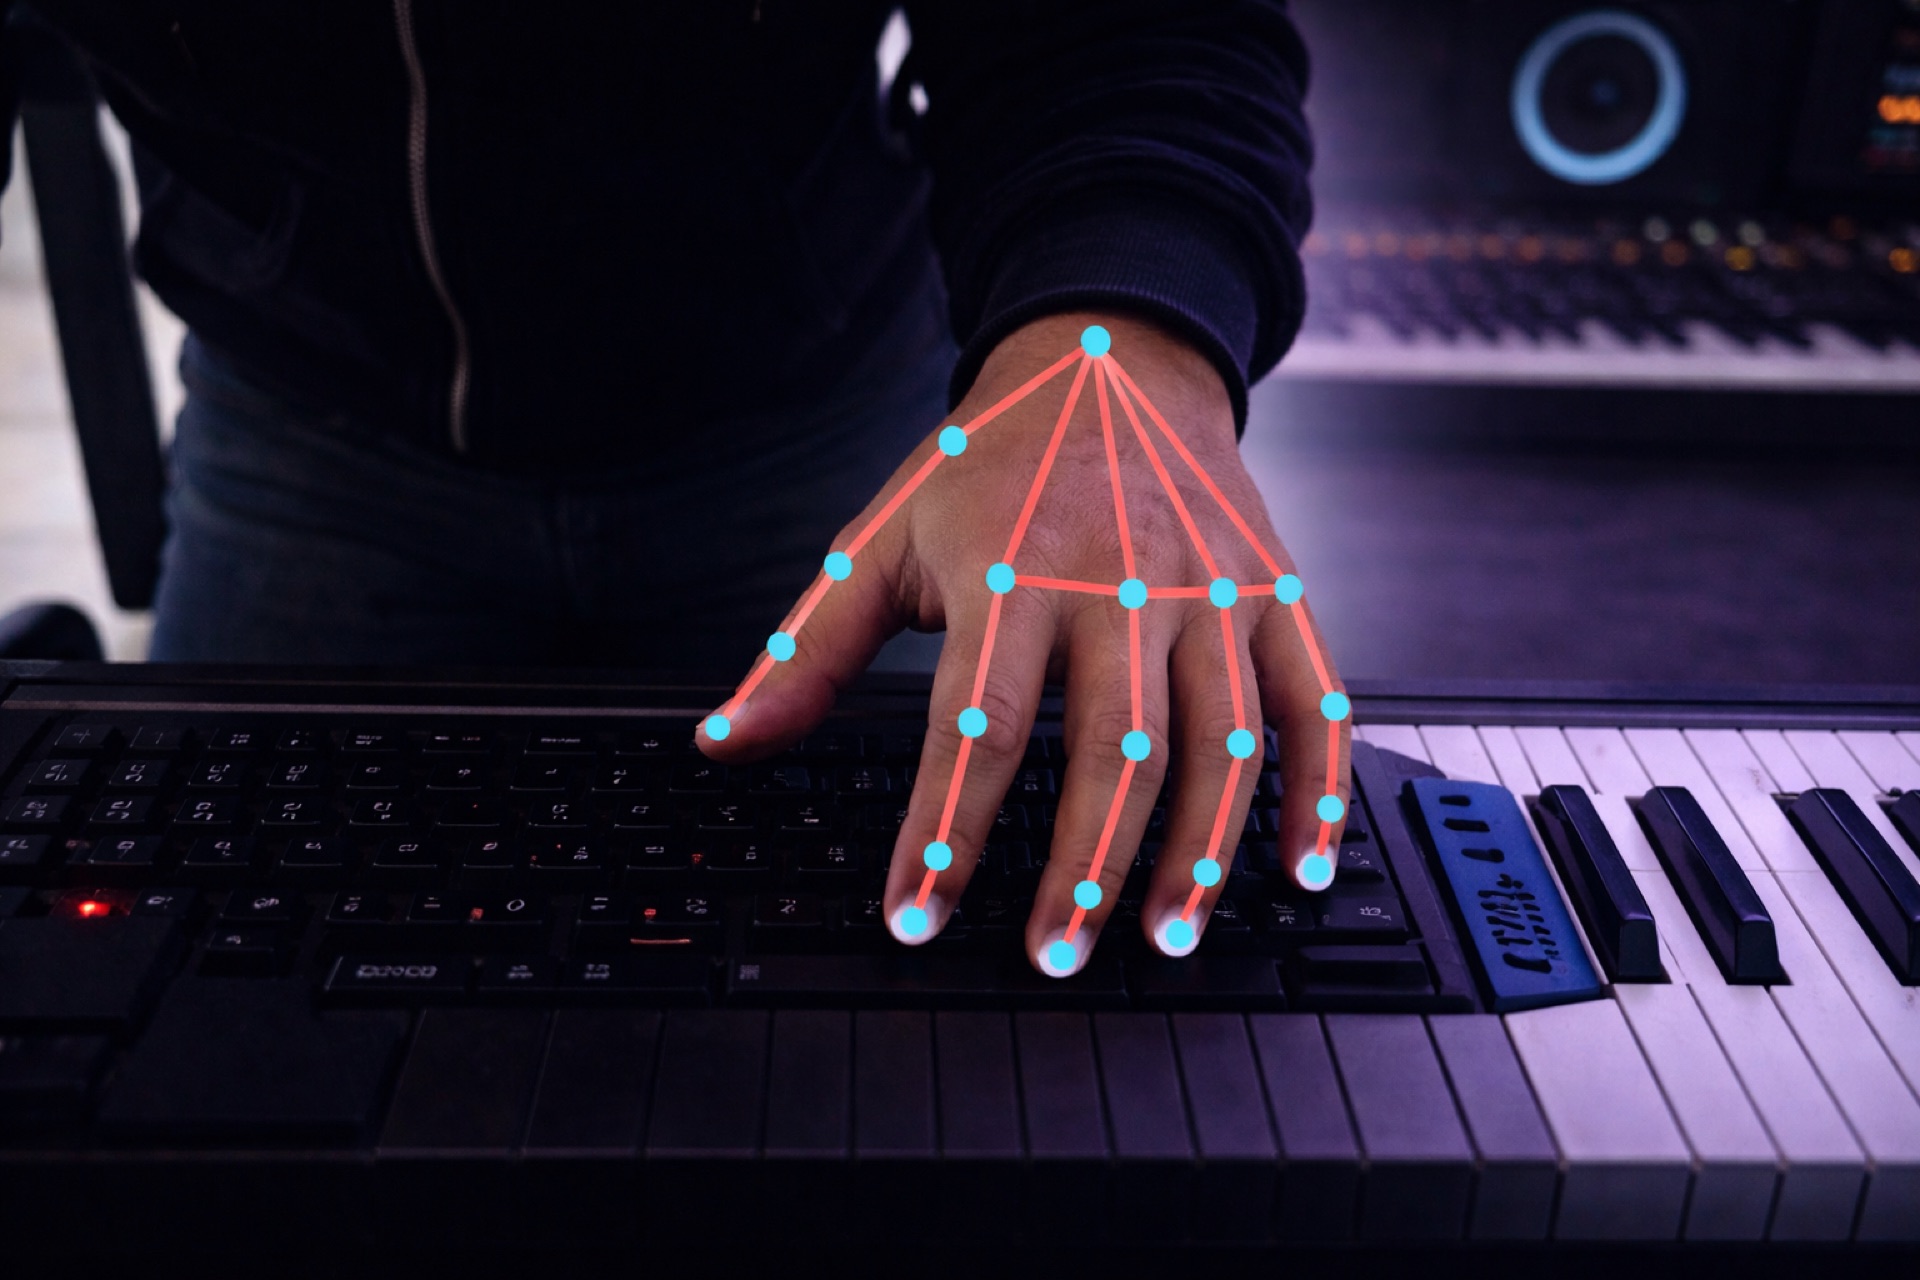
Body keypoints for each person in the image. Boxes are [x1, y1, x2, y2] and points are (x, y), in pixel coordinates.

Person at [0, 1, 1343, 975]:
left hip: (822, 421)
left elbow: (1132, 32)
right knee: (217, 992)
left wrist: (1123, 332)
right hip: (311, 420)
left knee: (920, 1007)